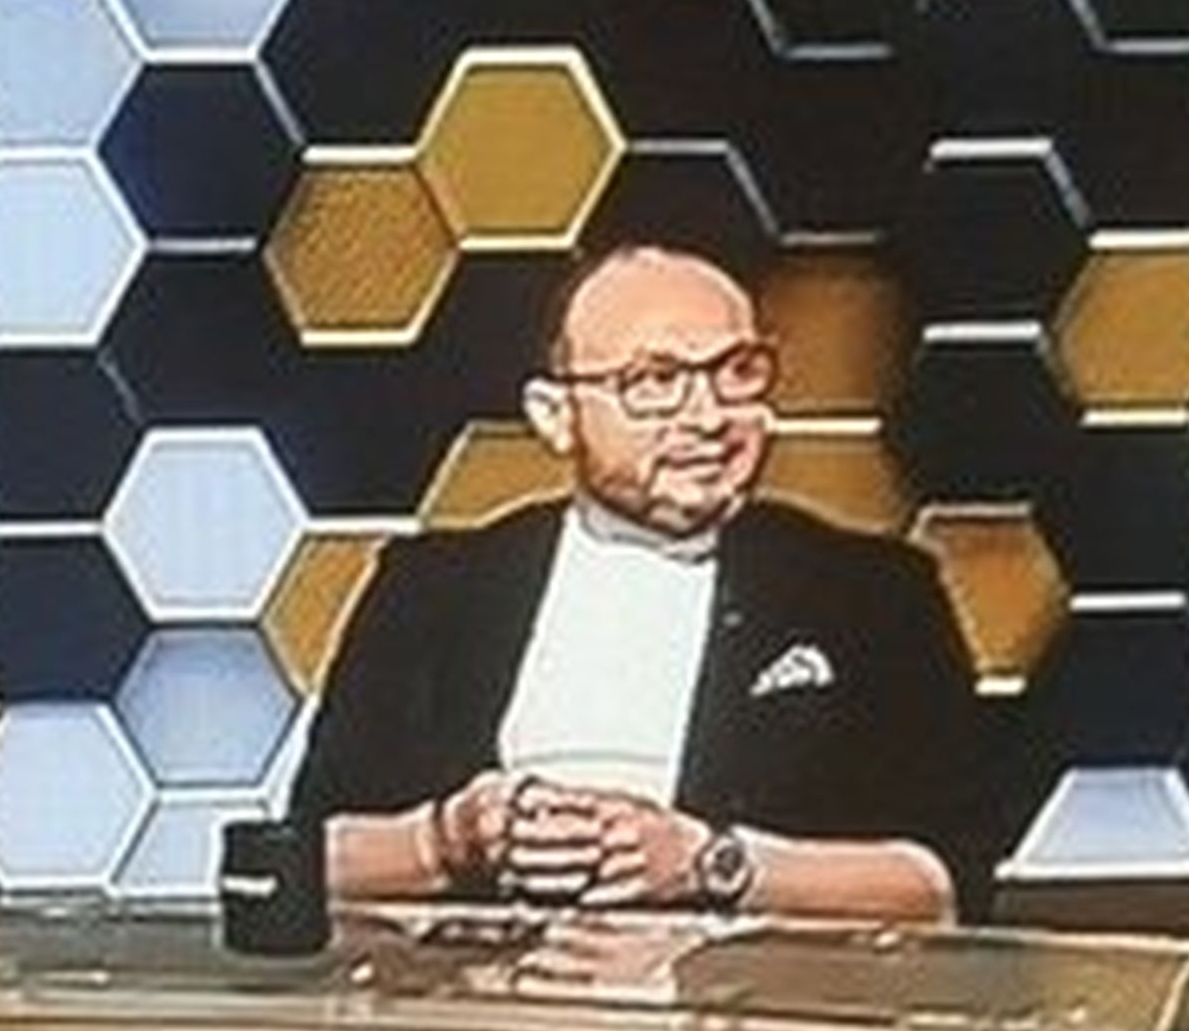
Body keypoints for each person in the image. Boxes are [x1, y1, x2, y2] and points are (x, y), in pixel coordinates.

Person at [289, 244, 987, 923]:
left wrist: (715, 864)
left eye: (738, 372)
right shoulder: (437, 589)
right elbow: (306, 860)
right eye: (654, 381)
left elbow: (949, 883)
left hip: (761, 994)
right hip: (476, 995)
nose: (709, 417)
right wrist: (448, 841)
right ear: (556, 416)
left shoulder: (873, 595)